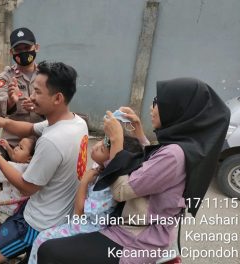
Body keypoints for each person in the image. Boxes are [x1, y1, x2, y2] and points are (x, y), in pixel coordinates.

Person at [36, 78, 230, 263]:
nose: (152, 108)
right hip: (134, 227)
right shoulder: (180, 146)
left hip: (136, 239)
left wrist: (117, 142)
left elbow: (121, 191)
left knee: (49, 250)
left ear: (177, 109)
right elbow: (153, 164)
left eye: (158, 102)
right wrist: (138, 132)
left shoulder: (174, 154)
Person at [0, 61, 89, 264]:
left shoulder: (52, 141)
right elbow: (30, 128)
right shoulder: (76, 123)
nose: (32, 96)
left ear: (57, 98)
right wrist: (1, 121)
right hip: (61, 213)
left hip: (39, 222)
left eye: (37, 91)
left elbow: (27, 187)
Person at [28, 136, 143, 264]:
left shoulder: (106, 190)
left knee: (43, 238)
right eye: (101, 141)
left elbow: (79, 215)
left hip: (91, 229)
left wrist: (84, 181)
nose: (95, 146)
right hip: (85, 222)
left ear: (111, 161)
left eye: (102, 149)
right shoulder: (100, 168)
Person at [0, 27, 44, 145]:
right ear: (11, 52)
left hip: (43, 137)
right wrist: (10, 102)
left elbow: (58, 104)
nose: (23, 52)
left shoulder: (47, 74)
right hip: (13, 141)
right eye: (18, 50)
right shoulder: (6, 77)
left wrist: (39, 105)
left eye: (27, 48)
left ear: (36, 47)